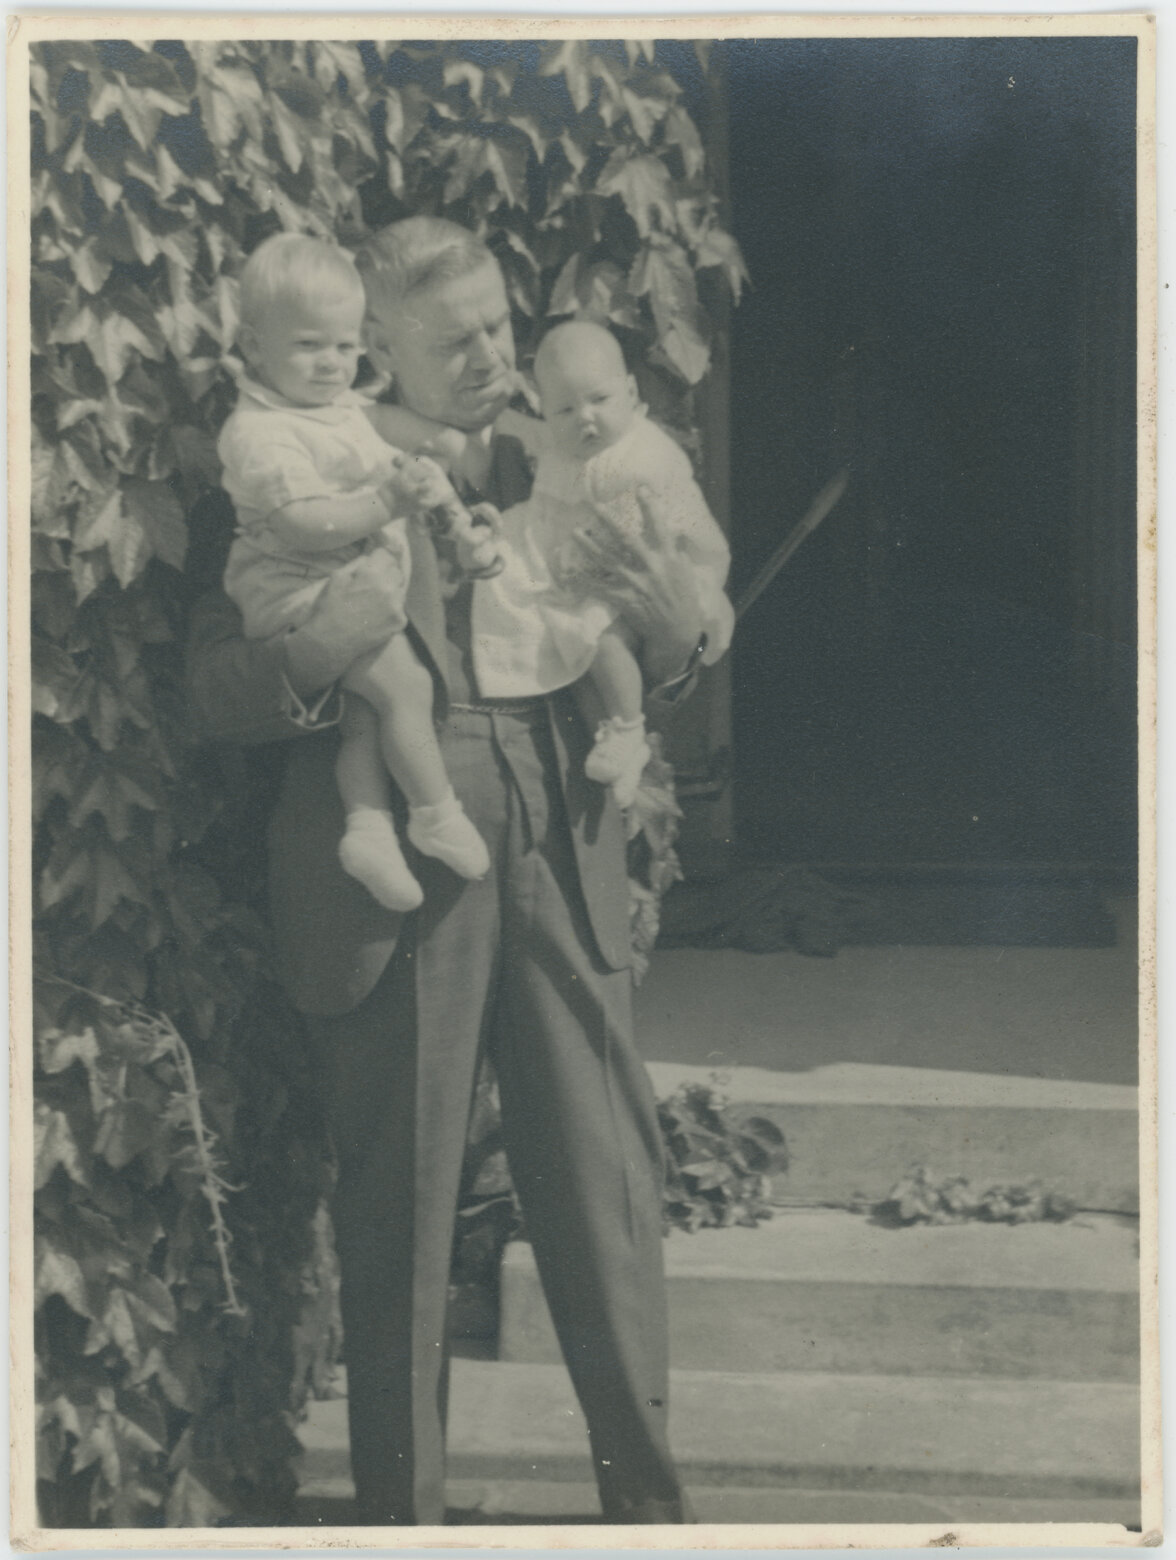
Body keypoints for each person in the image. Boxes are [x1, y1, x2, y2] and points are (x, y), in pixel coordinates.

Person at [186, 216, 712, 1526]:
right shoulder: (307, 465)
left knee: (605, 1183)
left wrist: (676, 627)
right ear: (381, 356)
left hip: (562, 821)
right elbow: (211, 686)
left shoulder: (573, 445)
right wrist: (343, 638)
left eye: (496, 324)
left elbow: (674, 625)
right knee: (403, 1205)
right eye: (454, 341)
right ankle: (401, 1523)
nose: (491, 355)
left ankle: (648, 1513)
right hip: (399, 862)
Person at [218, 233, 500, 912]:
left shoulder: (337, 408)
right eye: (310, 347)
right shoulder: (259, 433)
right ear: (255, 348)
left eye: (344, 349)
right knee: (400, 684)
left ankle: (369, 828)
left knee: (366, 719)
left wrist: (450, 448)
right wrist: (385, 501)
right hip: (298, 593)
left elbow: (386, 423)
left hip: (346, 586)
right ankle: (435, 812)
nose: (332, 366)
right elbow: (300, 522)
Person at [472, 319, 734, 808]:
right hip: (593, 577)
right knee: (581, 658)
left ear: (631, 392)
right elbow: (549, 516)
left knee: (601, 638)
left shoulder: (642, 455)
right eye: (565, 409)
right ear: (543, 409)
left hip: (649, 573)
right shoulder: (558, 453)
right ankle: (618, 743)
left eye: (599, 400)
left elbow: (640, 532)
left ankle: (628, 728)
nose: (584, 419)